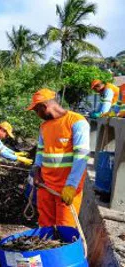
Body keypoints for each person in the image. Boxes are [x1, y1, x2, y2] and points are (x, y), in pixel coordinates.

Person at [27, 88, 90, 227]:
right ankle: (46, 249)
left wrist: (71, 185)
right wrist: (36, 171)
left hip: (66, 189)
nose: (37, 114)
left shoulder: (76, 121)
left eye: (37, 111)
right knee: (45, 225)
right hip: (45, 185)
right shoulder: (44, 126)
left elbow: (82, 156)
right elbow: (40, 151)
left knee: (66, 228)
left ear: (44, 106)